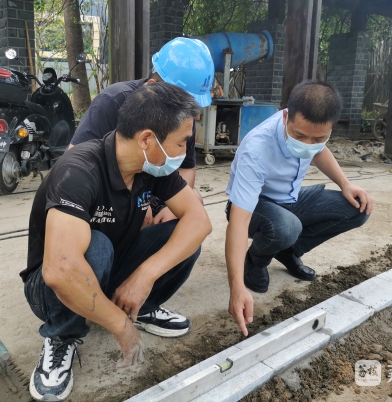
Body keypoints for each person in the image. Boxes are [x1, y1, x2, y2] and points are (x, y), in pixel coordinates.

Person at [20, 82, 212, 401]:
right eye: (181, 143)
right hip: (50, 290)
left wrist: (145, 275)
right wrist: (119, 326)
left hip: (109, 270)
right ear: (147, 139)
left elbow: (199, 221)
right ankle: (61, 334)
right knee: (96, 246)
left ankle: (139, 306)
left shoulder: (153, 167)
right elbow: (59, 271)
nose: (183, 153)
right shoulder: (79, 170)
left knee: (179, 234)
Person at [224, 80, 373, 336]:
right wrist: (236, 286)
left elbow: (318, 152)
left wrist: (345, 184)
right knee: (286, 227)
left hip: (291, 200)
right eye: (299, 136)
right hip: (257, 207)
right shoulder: (257, 148)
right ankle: (255, 261)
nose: (307, 143)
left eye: (319, 138)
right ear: (285, 117)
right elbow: (239, 221)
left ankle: (288, 251)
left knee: (357, 208)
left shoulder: (312, 136)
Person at [70, 37, 221, 225]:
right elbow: (74, 165)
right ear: (152, 86)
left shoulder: (182, 117)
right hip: (106, 200)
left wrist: (169, 208)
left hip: (153, 192)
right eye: (180, 104)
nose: (186, 113)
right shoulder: (112, 102)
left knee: (192, 204)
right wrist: (133, 203)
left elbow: (186, 168)